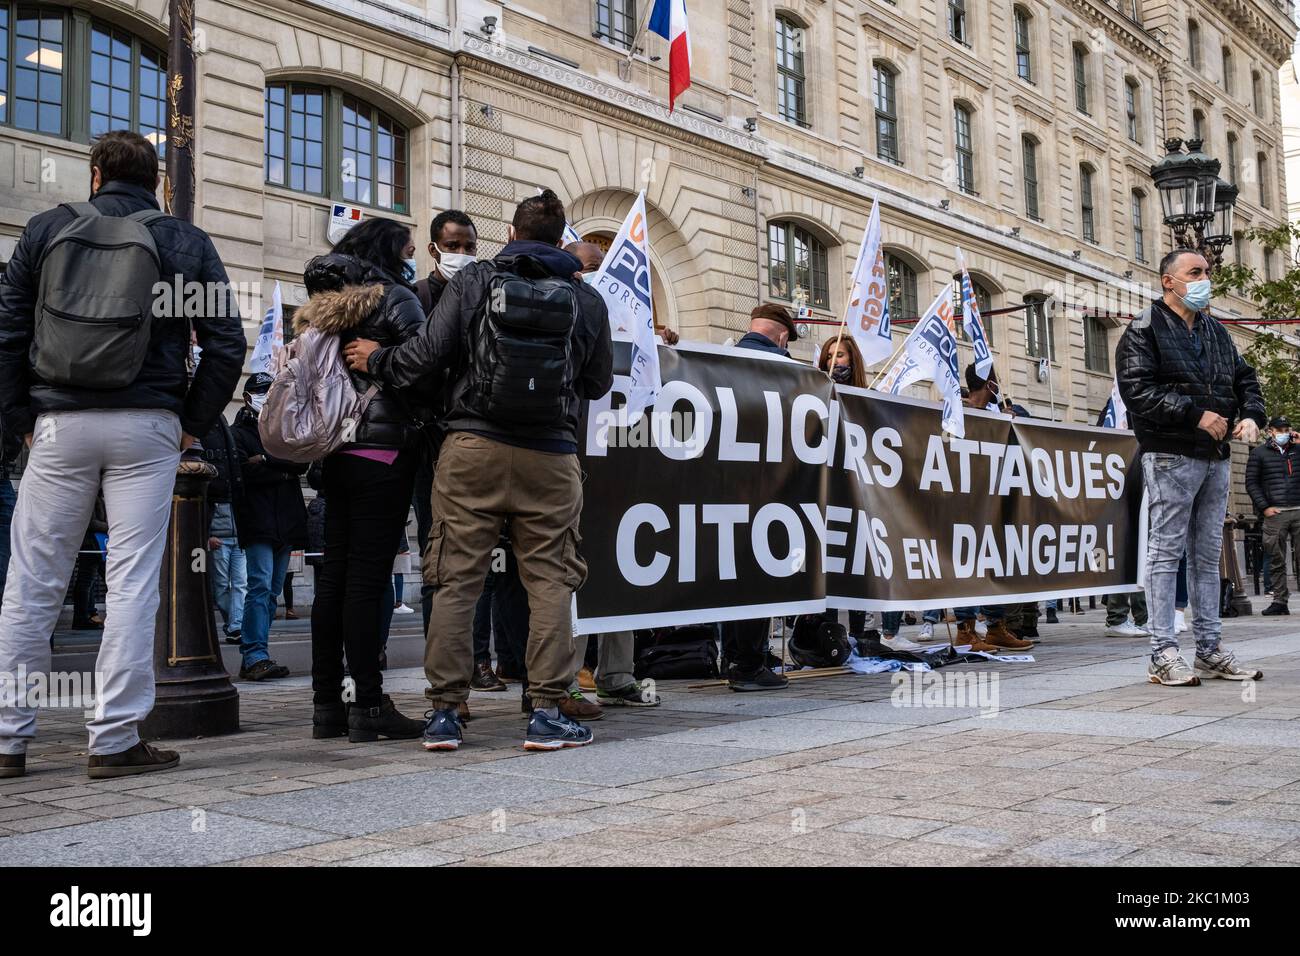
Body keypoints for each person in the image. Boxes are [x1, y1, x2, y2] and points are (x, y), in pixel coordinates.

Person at [0, 130, 244, 779]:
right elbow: (226, 342)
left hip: (58, 423)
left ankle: (7, 738)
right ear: (159, 180)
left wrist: (23, 419)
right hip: (148, 424)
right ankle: (112, 739)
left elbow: (7, 331)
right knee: (131, 582)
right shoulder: (183, 241)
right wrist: (190, 424)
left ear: (95, 173)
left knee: (32, 583)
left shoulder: (47, 230)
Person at [344, 189, 613, 752]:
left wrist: (376, 360)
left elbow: (425, 355)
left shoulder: (474, 281)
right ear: (562, 240)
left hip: (471, 448)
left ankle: (445, 711)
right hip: (552, 455)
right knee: (550, 580)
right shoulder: (586, 299)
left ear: (510, 234)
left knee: (455, 578)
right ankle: (546, 710)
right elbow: (596, 383)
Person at [299, 224, 433, 742]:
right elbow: (424, 365)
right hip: (383, 450)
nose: (411, 259)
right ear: (386, 252)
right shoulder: (396, 299)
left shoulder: (322, 305)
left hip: (335, 451)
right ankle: (370, 705)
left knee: (332, 579)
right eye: (407, 250)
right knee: (367, 579)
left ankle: (327, 707)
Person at [1116, 248, 1265, 685]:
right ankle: (1162, 651)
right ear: (1168, 281)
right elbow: (1137, 390)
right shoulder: (1143, 329)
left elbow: (1245, 379)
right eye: (1195, 272)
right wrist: (1193, 414)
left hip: (1215, 457)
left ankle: (1209, 649)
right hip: (1170, 454)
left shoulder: (1217, 331)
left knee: (1205, 556)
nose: (1205, 279)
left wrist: (1252, 414)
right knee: (1165, 553)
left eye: (1207, 272)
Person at [714, 305, 802, 690]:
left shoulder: (721, 360)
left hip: (724, 485)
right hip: (768, 486)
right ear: (783, 337)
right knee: (757, 573)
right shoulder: (784, 370)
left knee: (732, 573)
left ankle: (735, 657)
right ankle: (748, 664)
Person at [412, 211, 478, 633]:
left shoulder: (485, 293)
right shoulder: (417, 296)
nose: (461, 255)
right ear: (434, 249)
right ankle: (441, 652)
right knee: (434, 546)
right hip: (429, 439)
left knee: (474, 550)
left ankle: (474, 655)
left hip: (473, 435)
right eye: (453, 247)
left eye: (469, 247)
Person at [952, 365, 1033, 652]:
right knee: (967, 566)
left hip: (995, 501)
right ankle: (966, 630)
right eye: (996, 380)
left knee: (995, 562)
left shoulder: (998, 416)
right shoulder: (956, 412)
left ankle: (996, 627)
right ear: (989, 384)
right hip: (966, 502)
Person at [231, 373, 306, 683]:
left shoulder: (284, 429)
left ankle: (259, 652)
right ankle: (254, 654)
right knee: (260, 586)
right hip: (259, 519)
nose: (267, 397)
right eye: (261, 392)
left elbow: (302, 463)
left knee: (272, 591)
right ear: (248, 397)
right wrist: (281, 467)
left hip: (285, 521)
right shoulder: (237, 434)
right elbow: (244, 474)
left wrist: (266, 461)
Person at [1246, 416, 1300, 616]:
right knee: (1276, 559)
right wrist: (1265, 507)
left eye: (1286, 428)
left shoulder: (1298, 449)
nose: (1283, 432)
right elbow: (1251, 483)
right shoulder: (1259, 453)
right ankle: (1279, 600)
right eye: (1279, 429)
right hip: (1275, 513)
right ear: (1270, 431)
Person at [203, 411, 246, 644]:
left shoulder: (234, 487)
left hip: (238, 537)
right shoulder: (216, 490)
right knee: (220, 586)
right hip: (219, 538)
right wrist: (207, 535)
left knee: (240, 583)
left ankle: (236, 625)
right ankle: (233, 622)